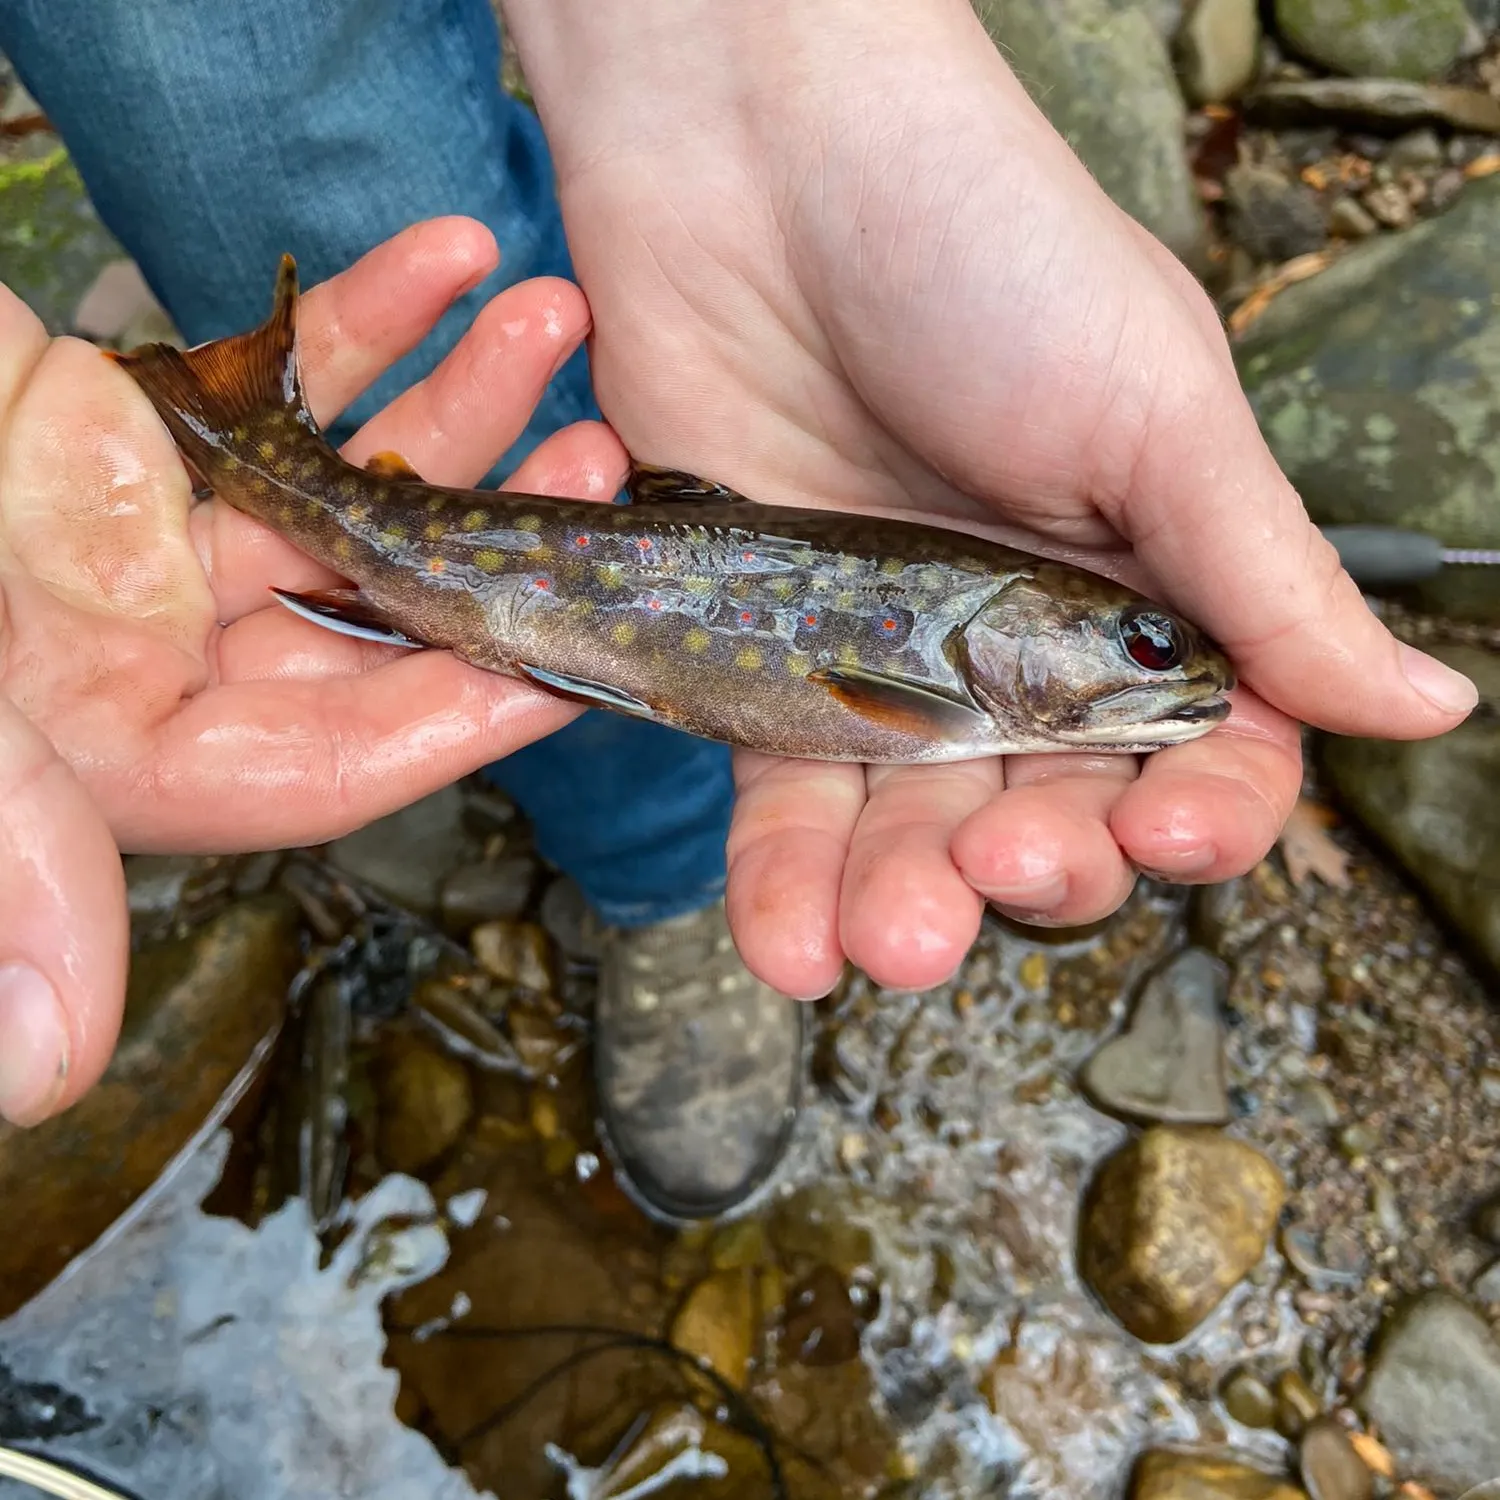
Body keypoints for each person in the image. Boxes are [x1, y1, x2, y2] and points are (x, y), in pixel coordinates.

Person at [0, 0, 1475, 1219]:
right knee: (263, 161)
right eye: (1144, 644)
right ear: (1025, 629)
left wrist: (765, 52)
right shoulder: (936, 695)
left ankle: (653, 871)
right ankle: (640, 862)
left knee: (488, 359)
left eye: (1155, 646)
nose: (1167, 662)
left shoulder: (961, 665)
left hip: (570, 475)